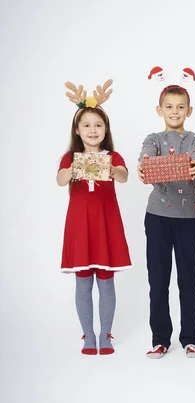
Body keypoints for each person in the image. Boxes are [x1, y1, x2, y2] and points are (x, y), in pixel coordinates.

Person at [57, 79, 131, 355]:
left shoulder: (112, 156)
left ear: (106, 130)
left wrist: (112, 170)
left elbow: (124, 176)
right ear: (77, 130)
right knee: (83, 281)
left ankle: (106, 334)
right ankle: (88, 334)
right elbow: (60, 180)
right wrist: (73, 169)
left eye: (98, 125)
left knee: (106, 281)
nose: (92, 130)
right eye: (86, 125)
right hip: (80, 227)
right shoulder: (70, 157)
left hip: (106, 225)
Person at [137, 84, 195, 359]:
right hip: (156, 218)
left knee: (189, 280)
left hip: (189, 218)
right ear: (159, 110)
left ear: (189, 110)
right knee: (158, 280)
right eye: (169, 106)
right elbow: (146, 156)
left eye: (180, 107)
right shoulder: (153, 138)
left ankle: (190, 338)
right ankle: (160, 339)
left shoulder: (194, 138)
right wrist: (145, 165)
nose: (175, 111)